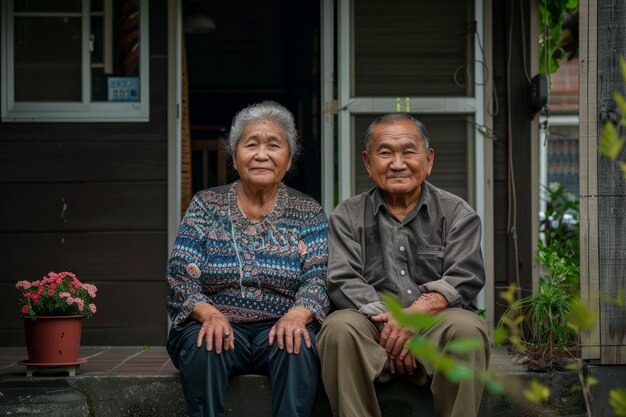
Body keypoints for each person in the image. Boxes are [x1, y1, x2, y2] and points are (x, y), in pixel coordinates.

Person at [317, 113, 490, 417]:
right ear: (368, 163)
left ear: (429, 159)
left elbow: (464, 276)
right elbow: (343, 279)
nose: (398, 163)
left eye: (409, 151)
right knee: (338, 328)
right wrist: (395, 327)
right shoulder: (347, 215)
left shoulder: (458, 213)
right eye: (385, 152)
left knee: (468, 328)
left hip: (435, 328)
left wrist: (415, 316)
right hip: (372, 330)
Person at [166, 101, 330, 417]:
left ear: (288, 158)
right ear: (235, 156)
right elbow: (180, 271)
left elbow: (318, 275)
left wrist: (298, 314)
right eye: (250, 144)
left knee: (298, 347)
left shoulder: (307, 211)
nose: (261, 155)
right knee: (204, 345)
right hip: (217, 318)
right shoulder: (206, 205)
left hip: (282, 322)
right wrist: (207, 313)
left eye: (273, 145)